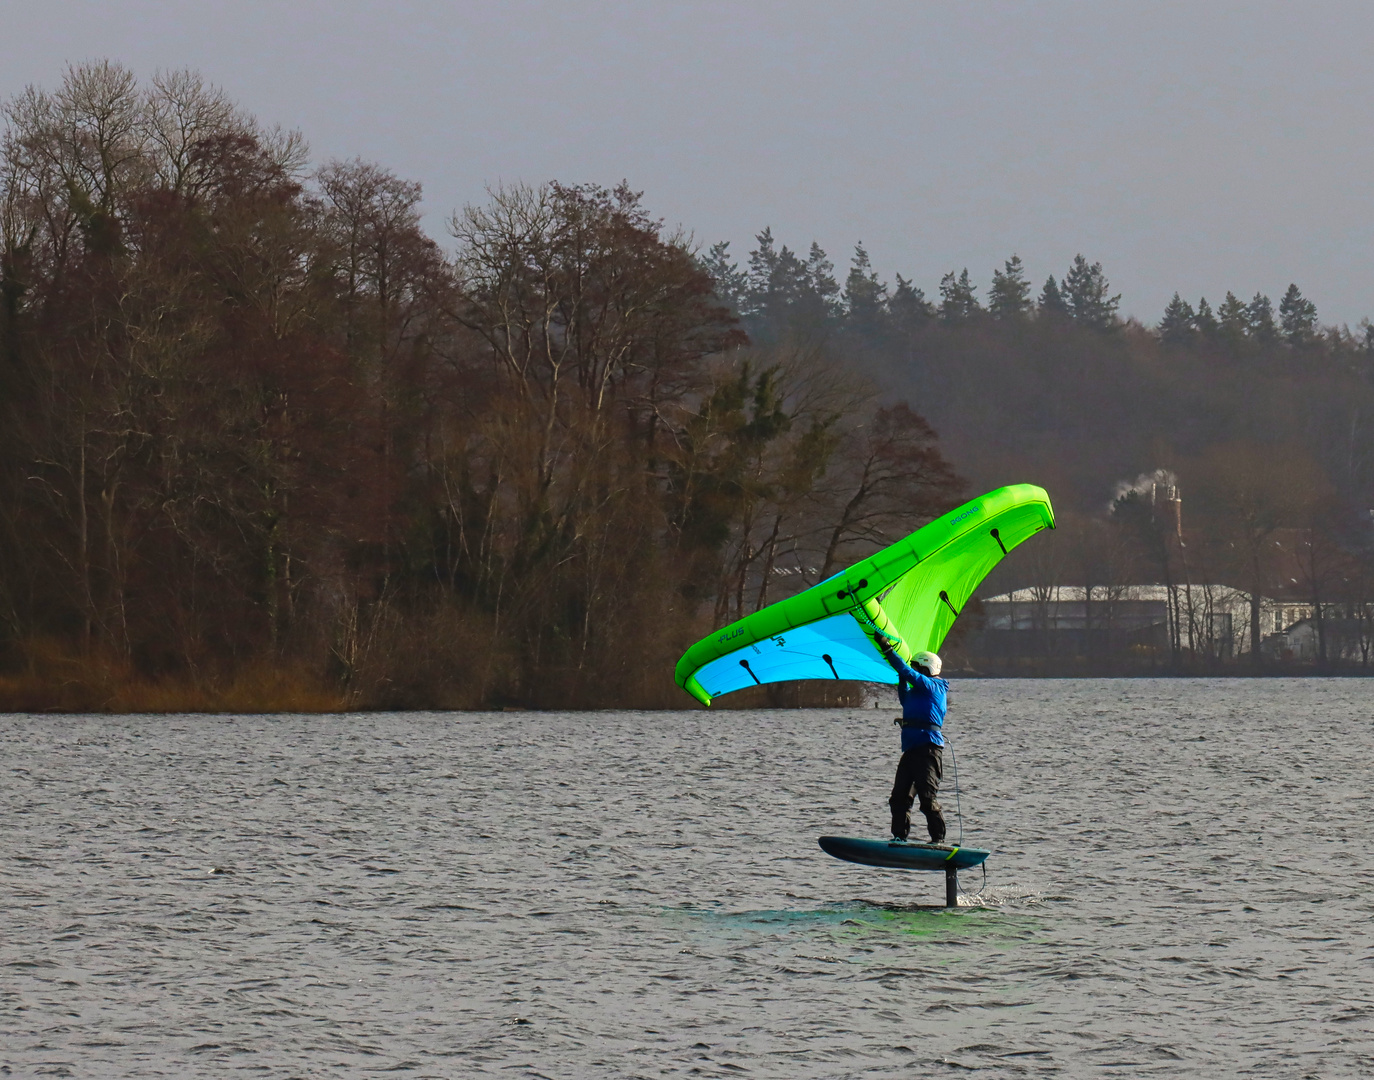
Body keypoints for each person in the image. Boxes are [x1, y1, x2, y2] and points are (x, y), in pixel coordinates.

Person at [879, 640, 948, 844]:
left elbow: (908, 672)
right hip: (910, 751)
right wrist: (901, 677)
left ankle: (938, 839)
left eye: (917, 668)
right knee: (899, 798)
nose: (913, 671)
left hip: (928, 750)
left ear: (927, 668)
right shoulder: (916, 692)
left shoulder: (933, 686)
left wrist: (887, 649)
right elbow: (904, 698)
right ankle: (899, 837)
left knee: (927, 799)